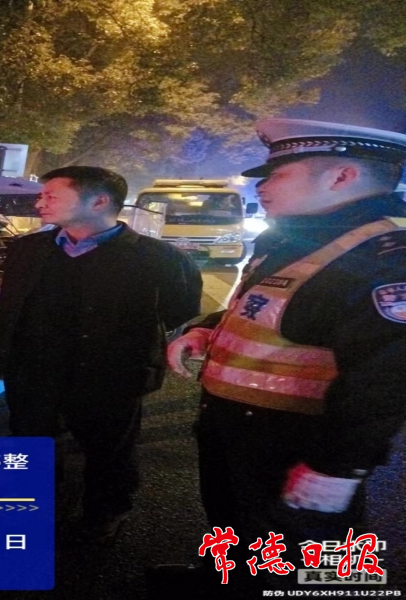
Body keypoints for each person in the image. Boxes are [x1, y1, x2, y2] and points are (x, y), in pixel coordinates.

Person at [165, 119, 406, 594]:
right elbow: (261, 308)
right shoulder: (295, 237)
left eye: (278, 174)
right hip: (238, 430)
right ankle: (226, 579)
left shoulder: (386, 258)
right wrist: (205, 329)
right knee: (235, 523)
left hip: (299, 444)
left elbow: (387, 377)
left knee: (315, 560)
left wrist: (339, 467)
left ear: (341, 176)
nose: (262, 186)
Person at [0, 166, 203, 543]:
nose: (40, 203)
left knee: (108, 450)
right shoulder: (28, 249)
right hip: (32, 370)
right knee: (33, 442)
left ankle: (105, 512)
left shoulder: (157, 257)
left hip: (111, 374)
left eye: (52, 196)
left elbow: (179, 309)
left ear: (99, 201)